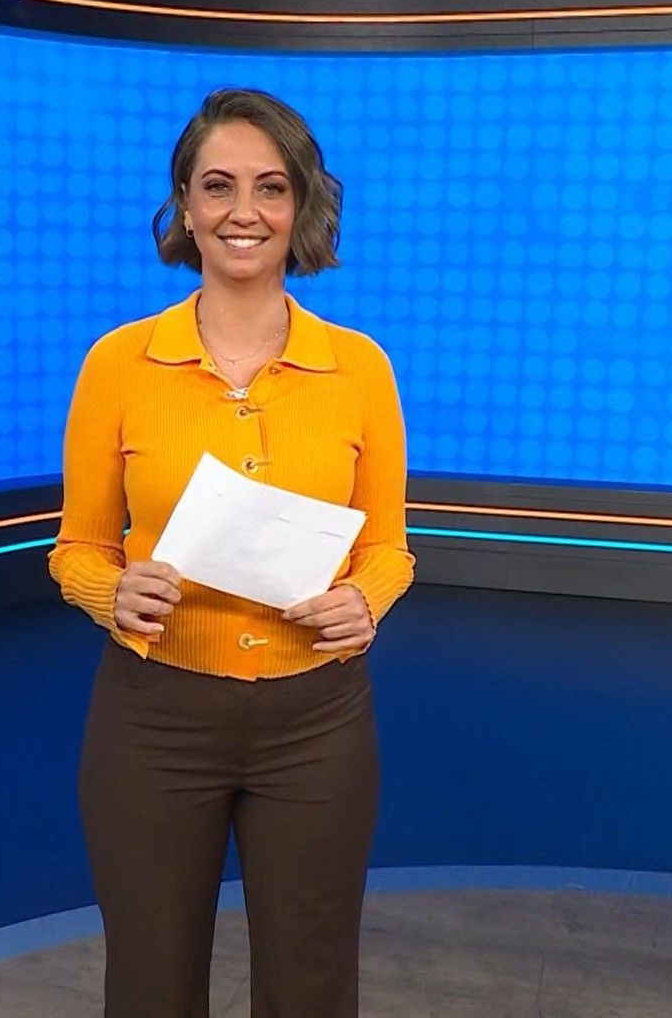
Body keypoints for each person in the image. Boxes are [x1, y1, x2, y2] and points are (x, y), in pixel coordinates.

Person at [48, 87, 415, 1017]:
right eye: (218, 186)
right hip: (154, 719)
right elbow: (78, 547)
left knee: (311, 987)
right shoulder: (118, 364)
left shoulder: (361, 369)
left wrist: (366, 600)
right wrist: (108, 593)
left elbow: (389, 549)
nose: (243, 211)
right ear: (184, 204)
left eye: (270, 187)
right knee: (150, 985)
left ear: (301, 208)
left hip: (317, 723)